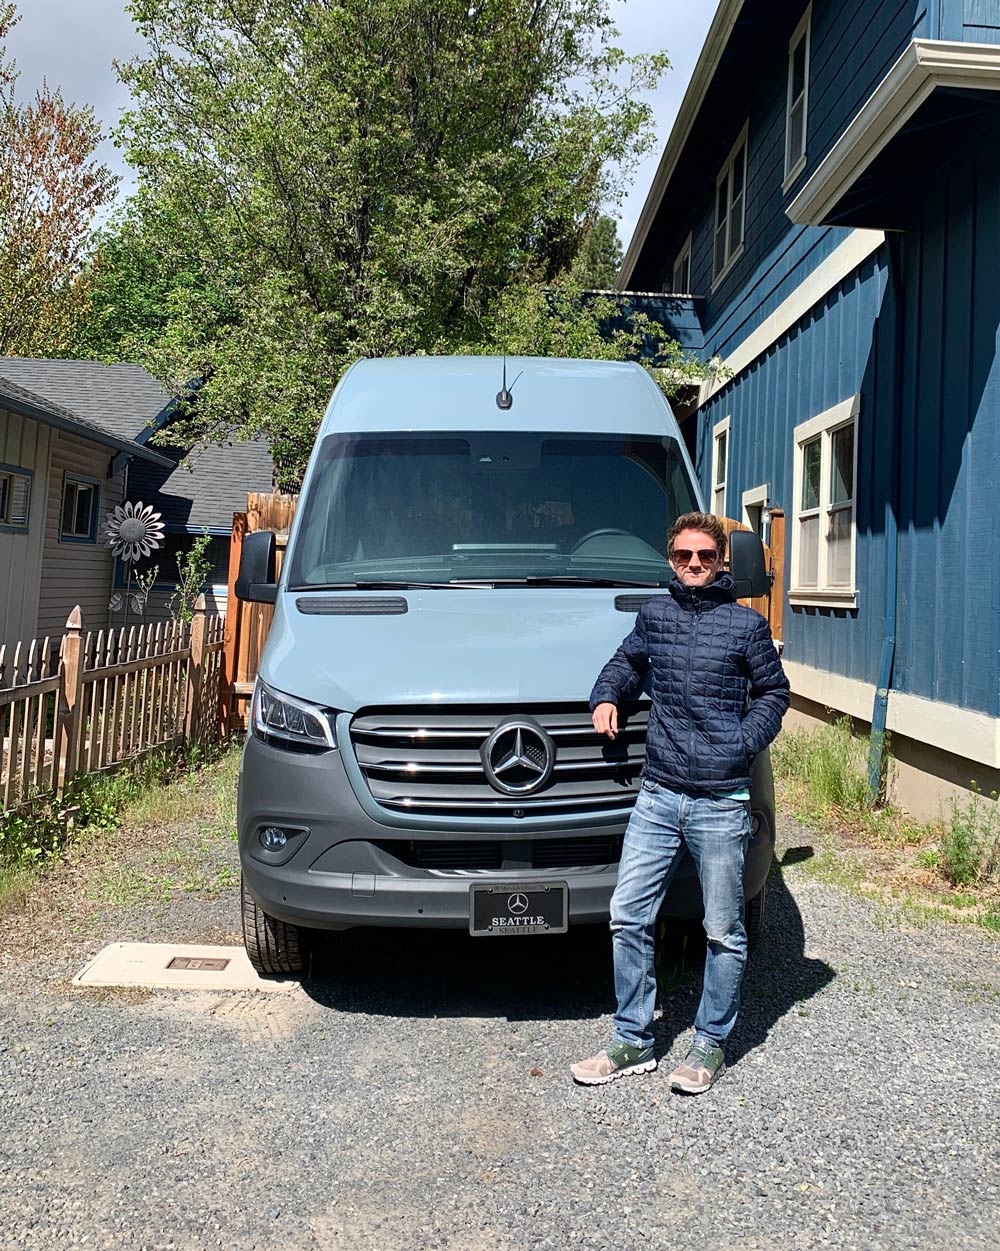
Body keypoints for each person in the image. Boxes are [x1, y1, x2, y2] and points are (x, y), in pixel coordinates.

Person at [570, 511, 790, 1094]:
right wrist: (606, 696)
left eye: (706, 557)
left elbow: (775, 691)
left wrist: (743, 742)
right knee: (628, 915)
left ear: (721, 562)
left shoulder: (745, 627)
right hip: (659, 794)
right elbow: (625, 663)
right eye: (684, 557)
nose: (695, 566)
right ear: (671, 560)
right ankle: (633, 1040)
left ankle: (709, 1044)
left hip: (720, 800)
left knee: (722, 929)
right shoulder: (655, 616)